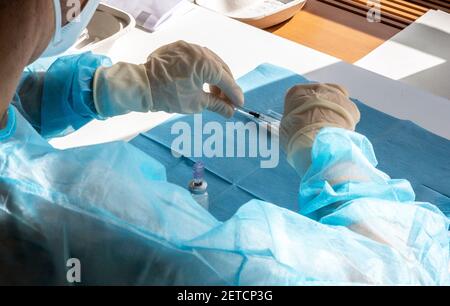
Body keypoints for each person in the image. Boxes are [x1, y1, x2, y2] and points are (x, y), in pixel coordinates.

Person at [0, 0, 448, 285]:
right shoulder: (53, 206)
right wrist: (335, 153)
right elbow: (394, 274)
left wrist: (109, 87)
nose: (79, 10)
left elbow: (7, 109)